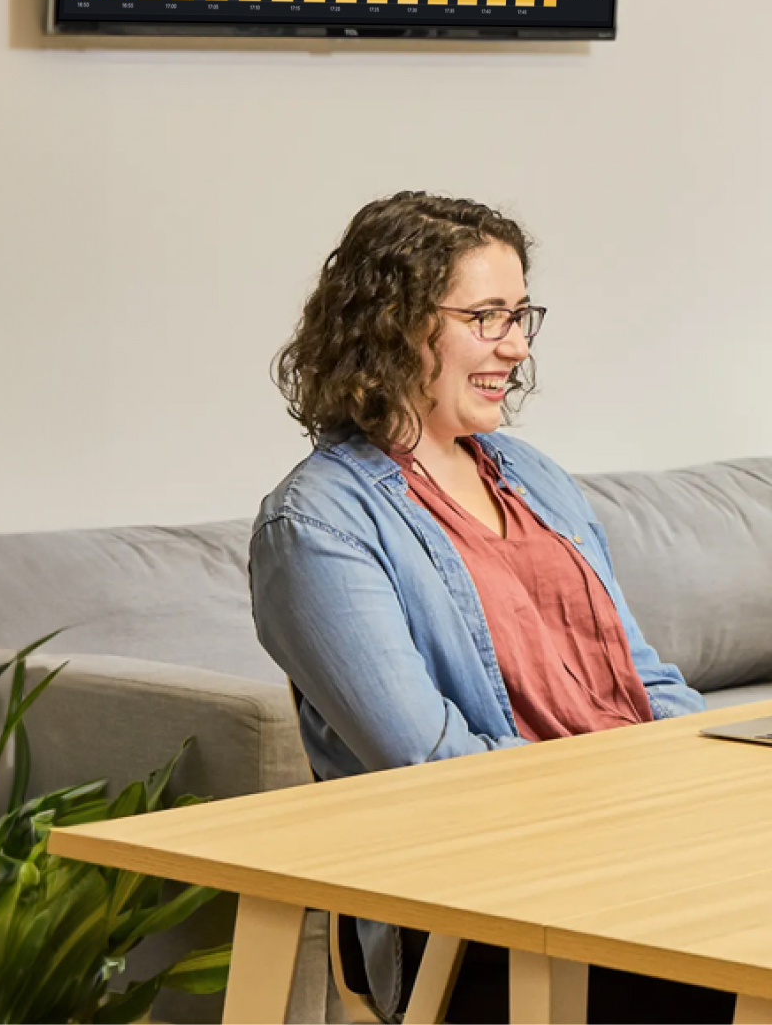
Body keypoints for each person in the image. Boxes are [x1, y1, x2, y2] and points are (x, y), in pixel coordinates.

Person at [251, 192, 720, 1023]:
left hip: (648, 855)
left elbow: (644, 681)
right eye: (487, 317)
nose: (517, 346)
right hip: (490, 916)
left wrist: (726, 775)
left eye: (522, 314)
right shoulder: (317, 523)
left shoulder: (530, 473)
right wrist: (626, 815)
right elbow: (437, 768)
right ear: (391, 326)